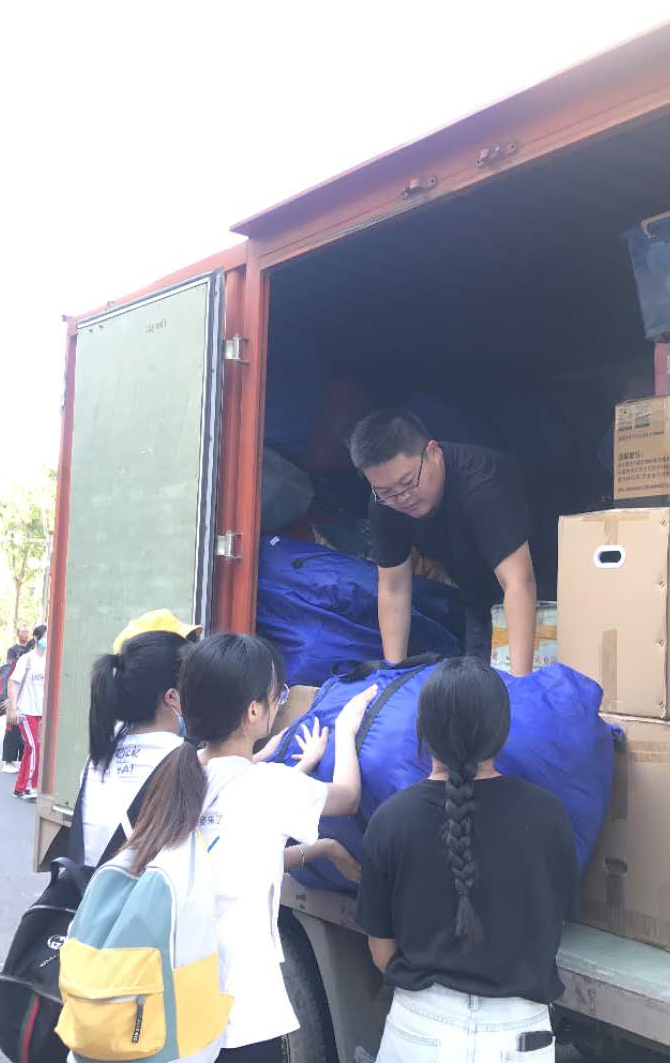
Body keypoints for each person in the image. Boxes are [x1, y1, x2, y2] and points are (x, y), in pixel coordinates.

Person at [125, 633, 375, 1061]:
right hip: (238, 1018)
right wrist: (348, 728)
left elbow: (231, 860)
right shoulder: (268, 787)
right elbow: (349, 796)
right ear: (255, 710)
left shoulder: (174, 777)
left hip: (170, 1008)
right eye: (279, 695)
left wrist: (322, 846)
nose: (280, 703)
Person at [355, 658, 576, 1061]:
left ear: (422, 730)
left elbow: (381, 951)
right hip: (521, 1038)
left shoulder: (390, 820)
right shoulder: (550, 814)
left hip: (420, 1032)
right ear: (502, 731)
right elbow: (556, 921)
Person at [349, 410, 539, 675]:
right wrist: (393, 673)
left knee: (538, 690)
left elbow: (519, 581)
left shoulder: (483, 484)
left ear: (433, 452)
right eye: (386, 491)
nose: (402, 498)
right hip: (479, 599)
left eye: (408, 482)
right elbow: (393, 589)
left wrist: (522, 684)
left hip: (543, 592)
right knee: (478, 690)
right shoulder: (385, 503)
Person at [78, 630, 190, 866]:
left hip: (91, 887)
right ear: (172, 697)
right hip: (135, 889)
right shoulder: (184, 761)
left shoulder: (96, 759)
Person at [8, 623, 47, 800]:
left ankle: (20, 787)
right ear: (36, 638)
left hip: (41, 712)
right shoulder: (27, 659)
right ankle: (30, 786)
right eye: (45, 637)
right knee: (33, 746)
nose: (48, 640)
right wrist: (14, 708)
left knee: (30, 750)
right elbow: (13, 683)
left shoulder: (49, 660)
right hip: (25, 710)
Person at [1, 625, 32, 773]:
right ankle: (8, 761)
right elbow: (9, 671)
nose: (25, 634)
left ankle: (21, 761)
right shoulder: (13, 651)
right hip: (14, 690)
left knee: (24, 729)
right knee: (12, 728)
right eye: (22, 632)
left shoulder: (33, 650)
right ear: (18, 633)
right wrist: (8, 696)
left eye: (27, 632)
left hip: (26, 692)